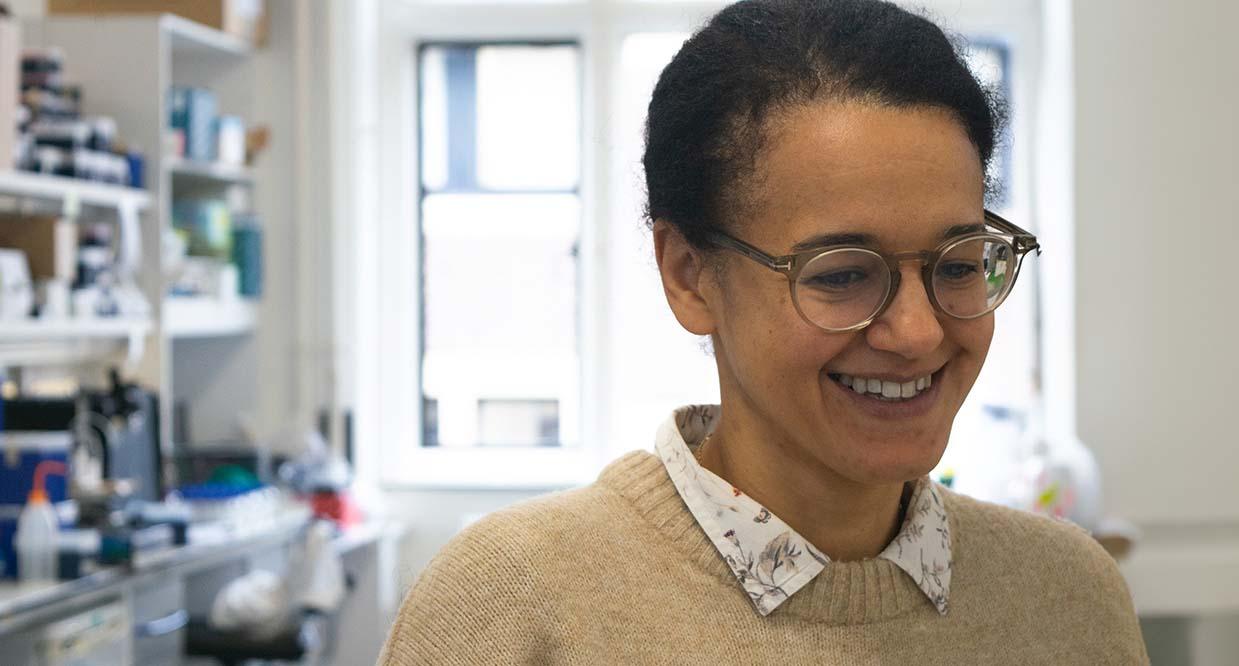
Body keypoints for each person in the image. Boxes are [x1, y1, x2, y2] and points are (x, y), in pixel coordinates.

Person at [379, 0, 1148, 663]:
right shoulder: (509, 611)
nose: (916, 333)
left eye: (957, 264)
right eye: (843, 273)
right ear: (688, 274)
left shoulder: (1068, 599)